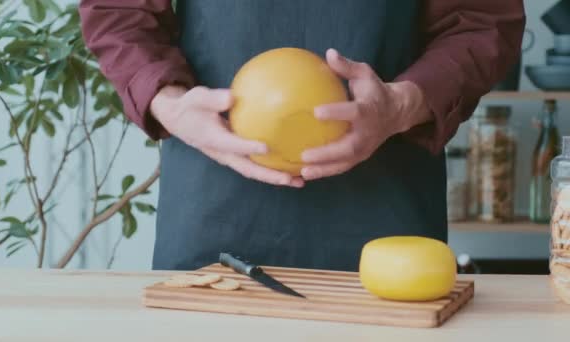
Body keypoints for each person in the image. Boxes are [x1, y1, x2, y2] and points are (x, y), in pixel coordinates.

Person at [79, 0, 525, 271]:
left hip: (385, 228)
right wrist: (171, 102)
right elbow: (118, 11)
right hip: (214, 223)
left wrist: (399, 105)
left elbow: (482, 19)